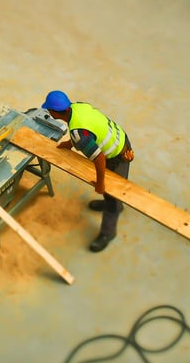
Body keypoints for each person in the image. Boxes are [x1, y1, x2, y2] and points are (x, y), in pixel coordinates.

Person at [41, 90, 134, 252]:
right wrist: (70, 144)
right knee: (111, 194)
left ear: (55, 113)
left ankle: (108, 232)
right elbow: (87, 129)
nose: (48, 112)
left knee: (112, 195)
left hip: (117, 154)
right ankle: (113, 203)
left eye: (49, 110)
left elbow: (99, 159)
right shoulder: (77, 107)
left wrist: (100, 183)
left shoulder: (79, 135)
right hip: (120, 138)